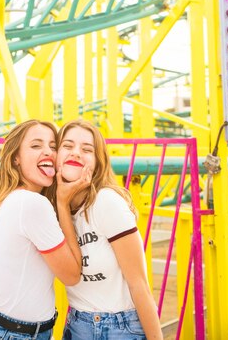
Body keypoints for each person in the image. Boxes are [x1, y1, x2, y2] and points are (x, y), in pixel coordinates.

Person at [0, 119, 91, 340]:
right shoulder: (32, 204)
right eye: (36, 146)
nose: (48, 152)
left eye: (53, 147)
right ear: (15, 158)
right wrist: (63, 204)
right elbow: (72, 275)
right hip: (12, 335)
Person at [57, 119, 163, 340]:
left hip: (118, 327)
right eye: (67, 146)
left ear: (97, 163)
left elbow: (138, 283)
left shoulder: (106, 202)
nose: (76, 153)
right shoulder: (52, 207)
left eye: (87, 149)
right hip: (76, 324)